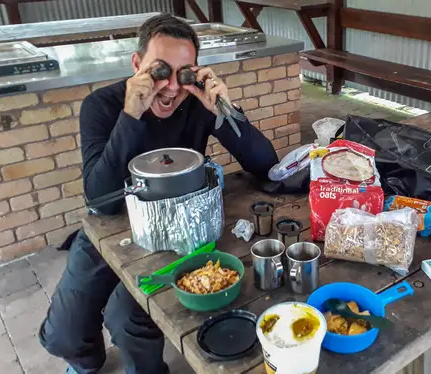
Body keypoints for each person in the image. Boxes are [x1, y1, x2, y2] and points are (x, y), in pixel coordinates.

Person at [38, 14, 278, 374]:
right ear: (137, 65)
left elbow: (266, 164)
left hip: (180, 227)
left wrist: (224, 110)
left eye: (183, 73)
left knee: (129, 318)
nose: (169, 87)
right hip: (114, 226)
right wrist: (131, 114)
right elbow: (98, 197)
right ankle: (86, 363)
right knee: (65, 331)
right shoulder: (102, 106)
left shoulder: (196, 102)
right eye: (158, 71)